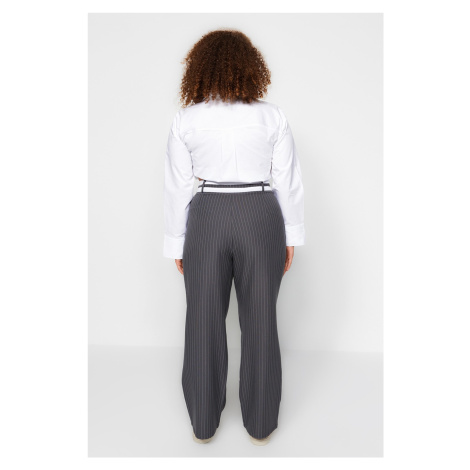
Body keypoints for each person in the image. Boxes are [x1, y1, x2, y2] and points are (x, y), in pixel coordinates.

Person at [163, 29, 305, 446]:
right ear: (249, 66)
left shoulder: (186, 119)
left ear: (200, 67)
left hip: (207, 214)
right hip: (261, 214)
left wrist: (177, 241)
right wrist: (290, 235)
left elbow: (177, 186)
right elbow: (288, 181)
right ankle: (260, 423)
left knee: (202, 318)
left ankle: (203, 423)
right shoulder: (271, 116)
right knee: (261, 318)